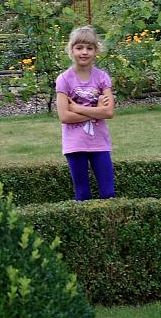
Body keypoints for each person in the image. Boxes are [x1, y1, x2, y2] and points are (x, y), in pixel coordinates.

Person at [55, 26, 115, 201]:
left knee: (108, 193)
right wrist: (97, 111)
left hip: (100, 144)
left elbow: (109, 112)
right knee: (83, 194)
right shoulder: (64, 79)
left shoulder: (102, 77)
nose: (84, 52)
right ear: (71, 50)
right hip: (75, 144)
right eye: (79, 47)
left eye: (89, 48)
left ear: (96, 51)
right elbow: (65, 116)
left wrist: (78, 108)